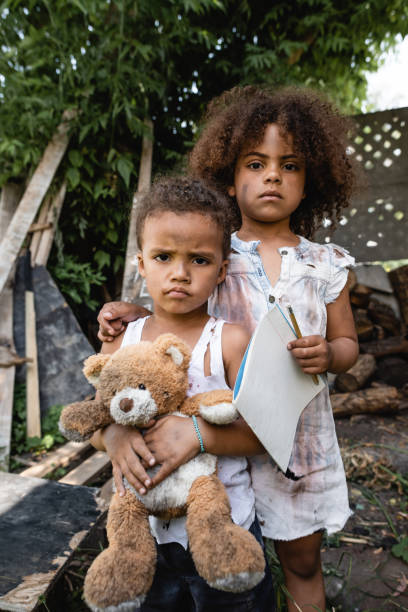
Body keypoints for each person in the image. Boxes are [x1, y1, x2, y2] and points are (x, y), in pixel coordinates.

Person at [97, 86, 359, 611]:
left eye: (290, 165)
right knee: (220, 549)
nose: (272, 176)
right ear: (229, 174)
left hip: (295, 443)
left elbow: (348, 342)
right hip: (213, 437)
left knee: (302, 561)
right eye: (256, 162)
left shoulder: (326, 262)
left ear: (312, 181)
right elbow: (179, 313)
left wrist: (331, 355)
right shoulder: (212, 249)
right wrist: (137, 314)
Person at [91, 175, 275, 611]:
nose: (179, 273)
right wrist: (112, 438)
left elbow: (264, 434)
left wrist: (196, 434)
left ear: (222, 269)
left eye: (199, 260)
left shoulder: (229, 340)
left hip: (222, 526)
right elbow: (95, 417)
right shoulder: (121, 340)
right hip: (145, 536)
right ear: (141, 263)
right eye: (163, 256)